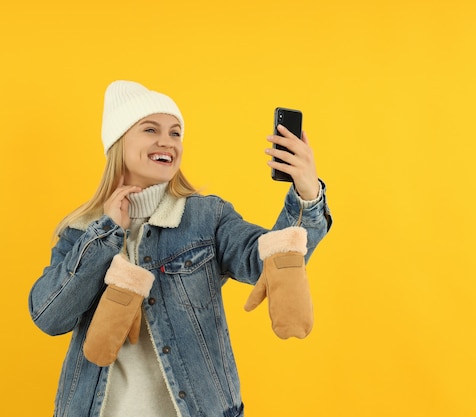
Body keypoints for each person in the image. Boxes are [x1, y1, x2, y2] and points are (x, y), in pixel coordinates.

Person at [28, 80, 332, 417]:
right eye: (150, 129)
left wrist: (307, 195)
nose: (167, 141)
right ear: (118, 142)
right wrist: (107, 233)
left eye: (175, 133)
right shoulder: (81, 231)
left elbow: (272, 261)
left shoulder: (206, 217)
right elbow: (49, 317)